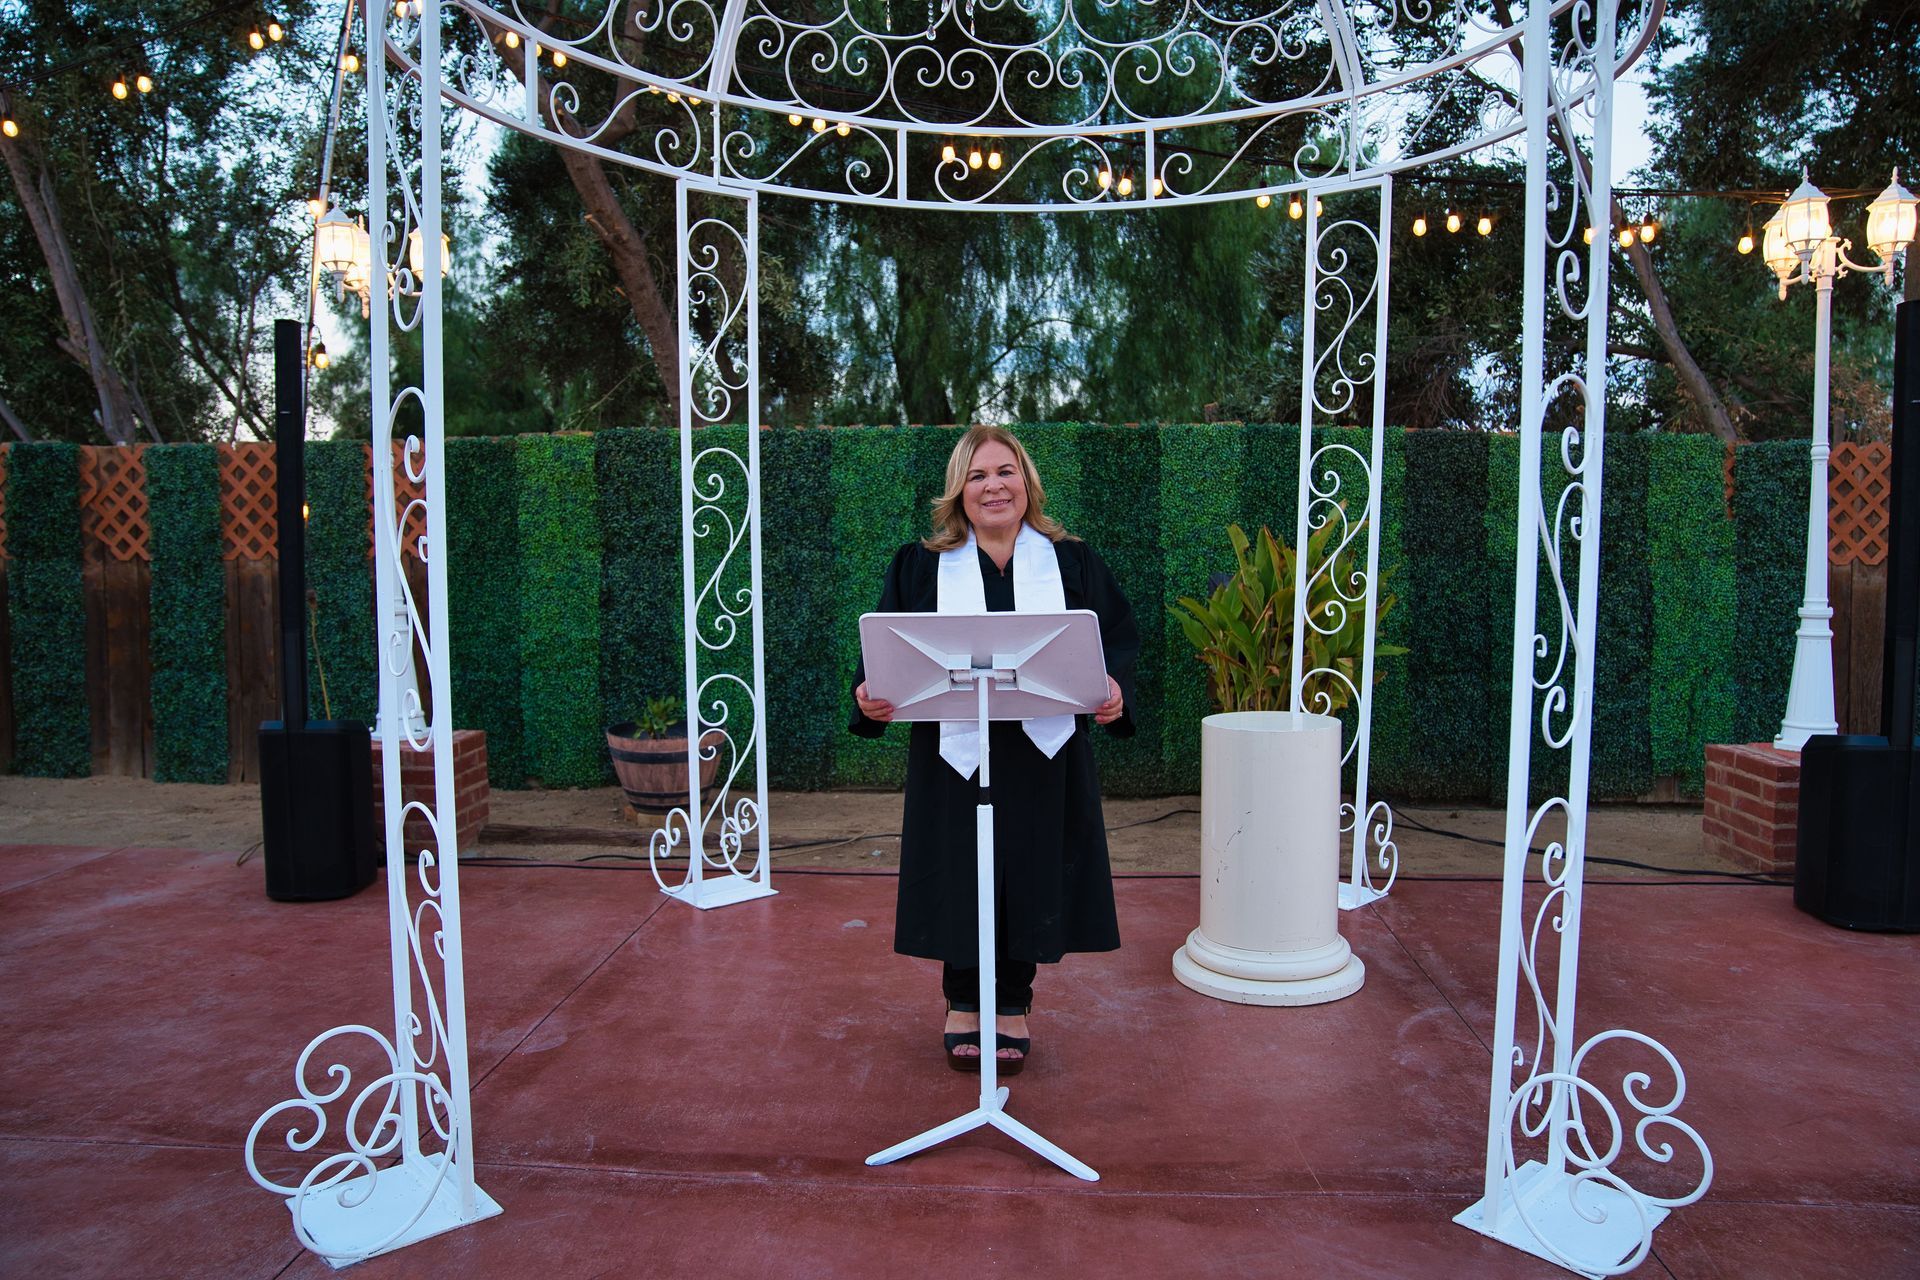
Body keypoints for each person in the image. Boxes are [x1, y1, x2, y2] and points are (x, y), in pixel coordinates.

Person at [850, 425, 1139, 1075]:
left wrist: (1115, 690)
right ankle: (962, 1003)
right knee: (961, 868)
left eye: (1005, 471)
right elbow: (882, 650)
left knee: (1030, 868)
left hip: (1045, 752)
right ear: (960, 492)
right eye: (977, 476)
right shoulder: (921, 566)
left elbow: (1115, 641)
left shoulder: (1073, 564)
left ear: (1026, 482)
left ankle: (1012, 1003)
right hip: (956, 751)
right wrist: (867, 696)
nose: (993, 486)